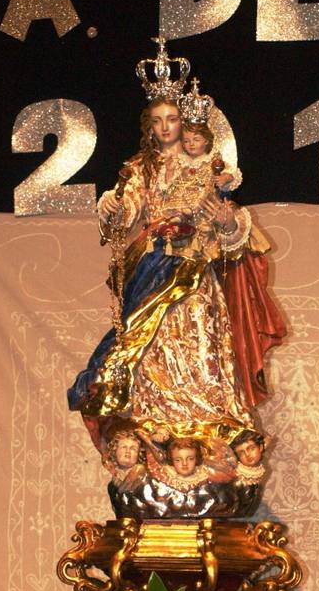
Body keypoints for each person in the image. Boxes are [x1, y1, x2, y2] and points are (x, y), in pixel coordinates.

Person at [67, 40, 284, 498]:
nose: (167, 128)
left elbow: (231, 227)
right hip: (151, 271)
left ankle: (207, 432)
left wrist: (227, 221)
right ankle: (153, 434)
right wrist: (111, 205)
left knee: (200, 347)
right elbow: (125, 215)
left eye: (174, 120)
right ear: (150, 125)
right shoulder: (139, 169)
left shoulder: (206, 166)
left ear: (186, 124)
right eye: (159, 121)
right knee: (150, 351)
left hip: (194, 276)